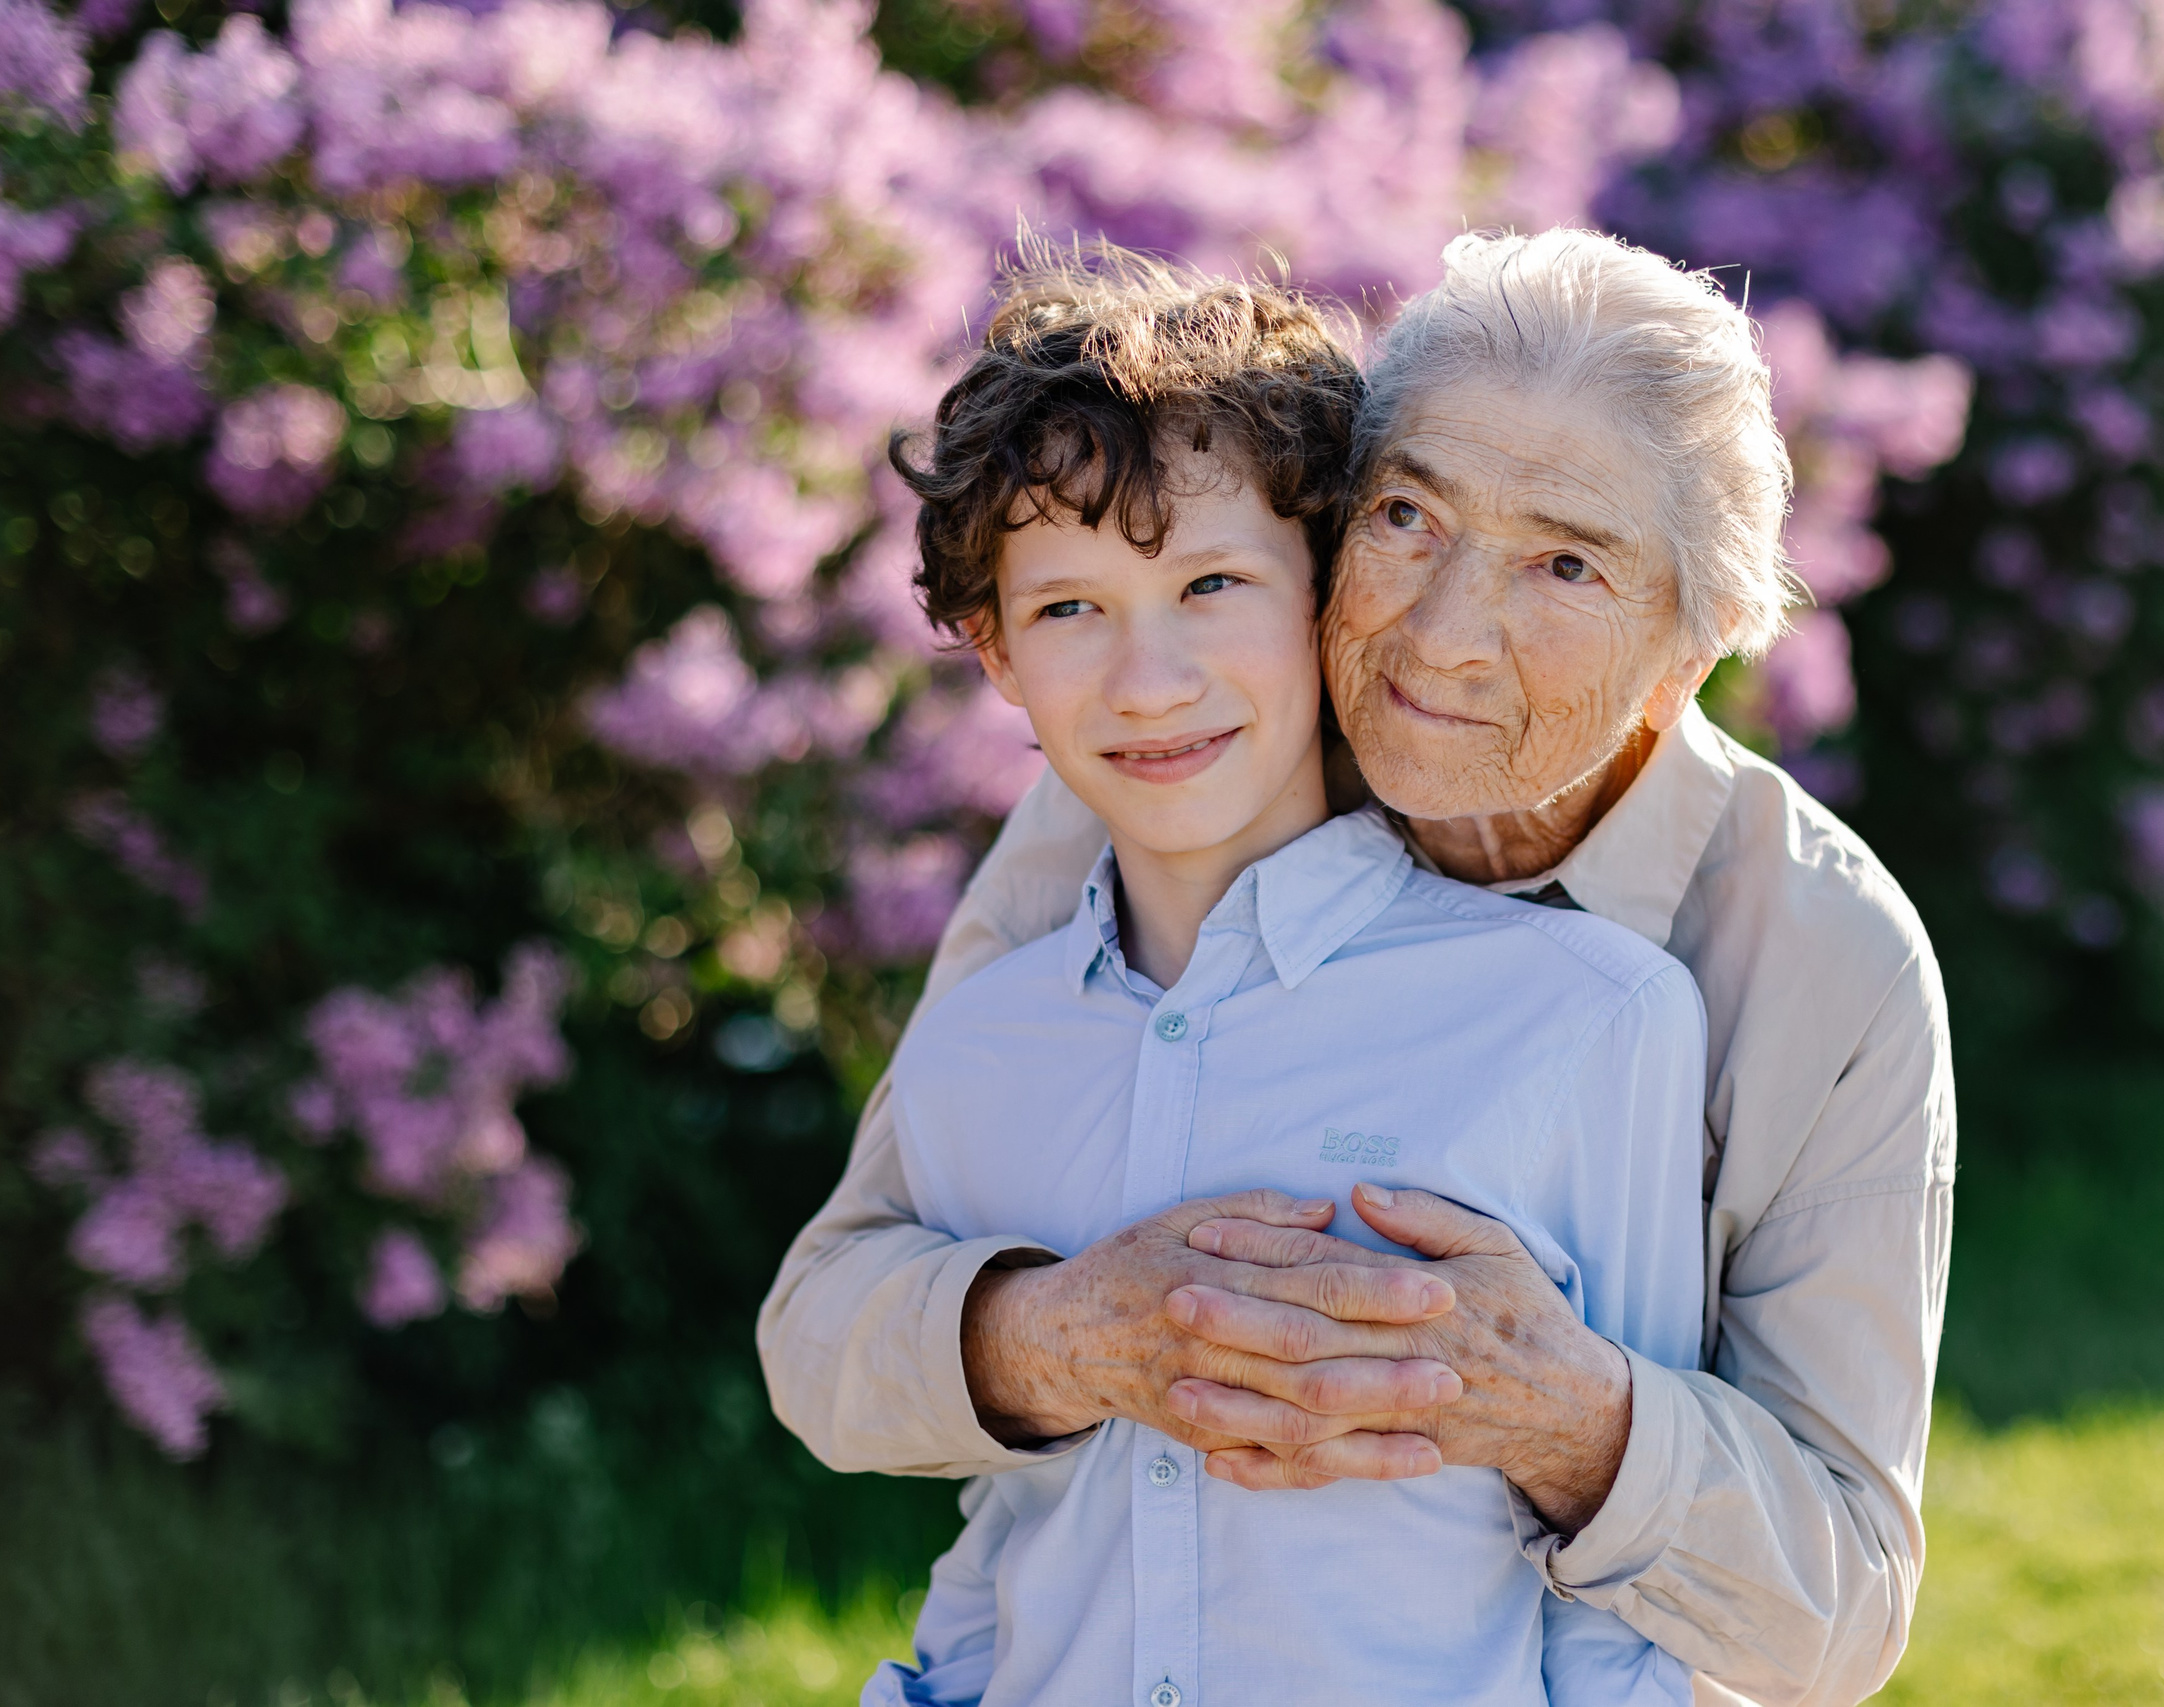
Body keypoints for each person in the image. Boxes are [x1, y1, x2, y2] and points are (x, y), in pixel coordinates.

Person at [763, 228, 1957, 1707]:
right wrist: (1062, 1336)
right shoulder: (1159, 765)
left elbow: (1832, 1612)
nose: (1443, 640)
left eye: (1565, 561)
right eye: (1405, 516)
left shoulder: (1809, 959)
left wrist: (1566, 1415)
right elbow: (833, 1309)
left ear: (1693, 641)